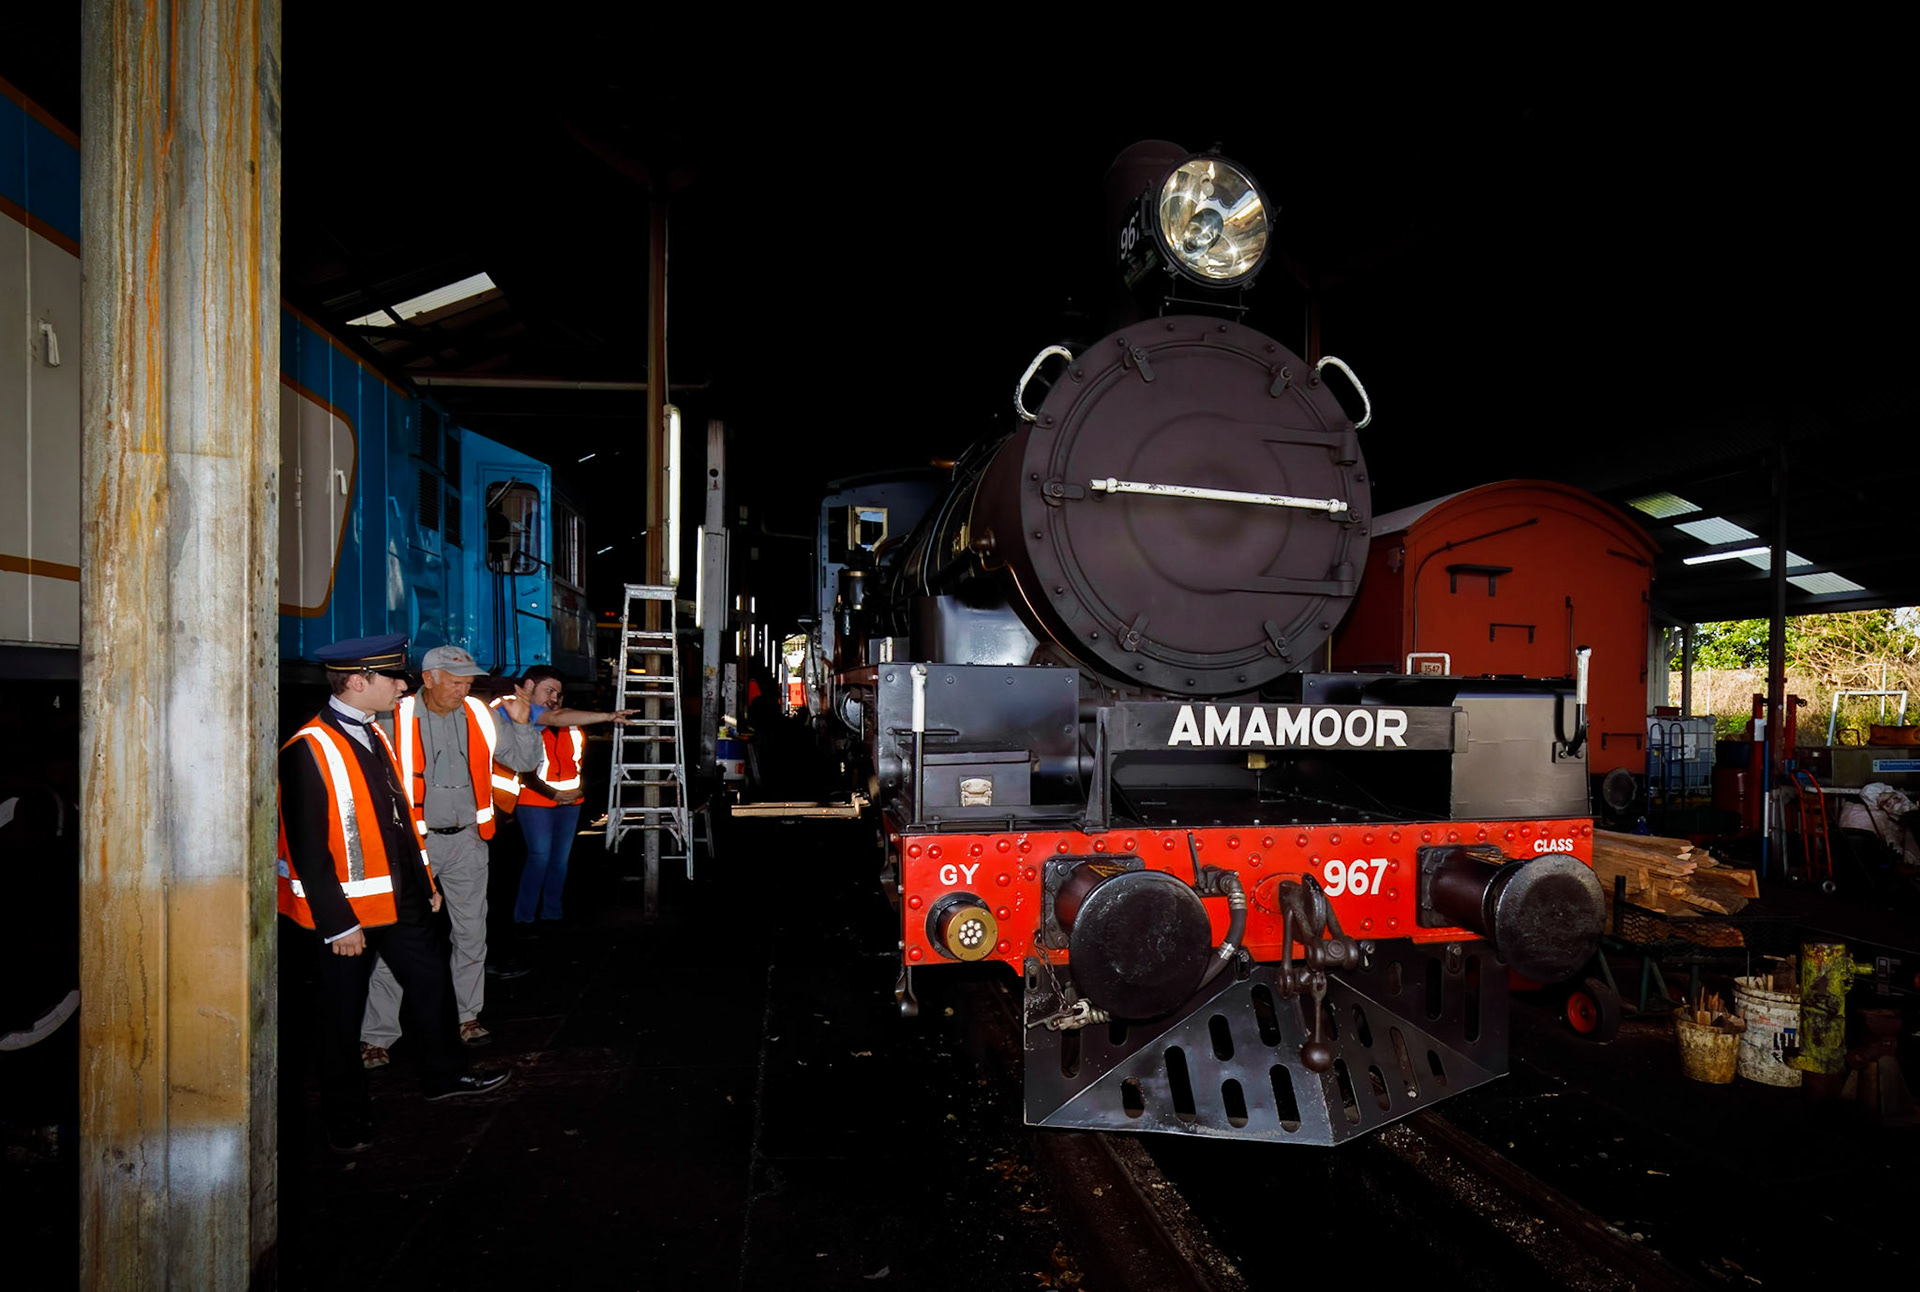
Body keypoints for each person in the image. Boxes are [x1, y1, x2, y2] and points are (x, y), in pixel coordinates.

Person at [277, 634, 509, 1152]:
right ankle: (346, 1117)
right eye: (392, 677)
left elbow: (399, 819)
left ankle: (445, 1075)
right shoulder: (307, 749)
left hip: (401, 897)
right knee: (340, 1015)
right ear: (358, 682)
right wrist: (338, 924)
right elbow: (307, 850)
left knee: (432, 988)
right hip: (348, 915)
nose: (402, 686)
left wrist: (424, 884)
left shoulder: (373, 734)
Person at [360, 644, 542, 1060]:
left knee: (471, 933)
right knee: (400, 938)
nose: (463, 690)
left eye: (468, 682)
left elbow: (522, 760)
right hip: (414, 845)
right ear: (428, 679)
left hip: (468, 842)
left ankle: (467, 1016)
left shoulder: (480, 714)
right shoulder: (394, 716)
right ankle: (377, 1036)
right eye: (455, 682)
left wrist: (522, 724)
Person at [507, 665, 631, 929]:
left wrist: (579, 791)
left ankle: (552, 914)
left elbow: (581, 762)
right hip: (535, 801)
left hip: (570, 802)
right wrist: (554, 794)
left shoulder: (572, 724)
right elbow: (524, 768)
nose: (554, 698)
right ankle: (524, 917)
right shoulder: (522, 719)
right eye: (549, 691)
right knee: (539, 857)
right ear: (530, 686)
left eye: (559, 694)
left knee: (559, 861)